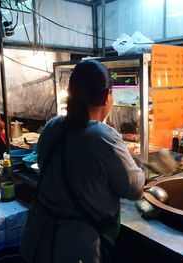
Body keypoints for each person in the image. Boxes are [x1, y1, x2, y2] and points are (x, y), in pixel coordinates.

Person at [20, 60, 145, 263]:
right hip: (73, 249)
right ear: (106, 96)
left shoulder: (52, 126)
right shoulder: (103, 136)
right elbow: (135, 189)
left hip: (35, 241)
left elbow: (46, 166)